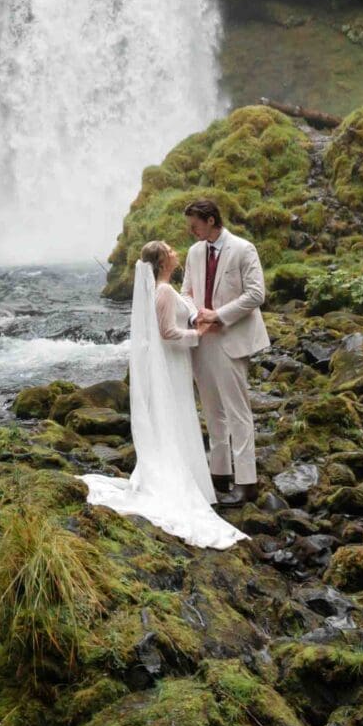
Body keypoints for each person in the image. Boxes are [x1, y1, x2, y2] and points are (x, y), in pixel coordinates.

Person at [79, 240, 245, 550]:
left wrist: (195, 309)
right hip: (172, 364)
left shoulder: (167, 290)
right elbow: (167, 332)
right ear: (163, 262)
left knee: (178, 417)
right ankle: (181, 478)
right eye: (170, 250)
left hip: (174, 364)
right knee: (178, 414)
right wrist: (199, 334)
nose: (175, 251)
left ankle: (188, 473)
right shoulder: (164, 292)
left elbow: (180, 308)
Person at [181, 197, 266, 506]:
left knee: (238, 411)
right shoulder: (193, 252)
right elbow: (186, 292)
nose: (190, 230)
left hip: (231, 338)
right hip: (202, 339)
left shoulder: (243, 249)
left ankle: (247, 482)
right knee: (212, 409)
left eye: (194, 224)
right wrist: (195, 316)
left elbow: (257, 294)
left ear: (211, 220)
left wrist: (220, 315)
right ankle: (219, 474)